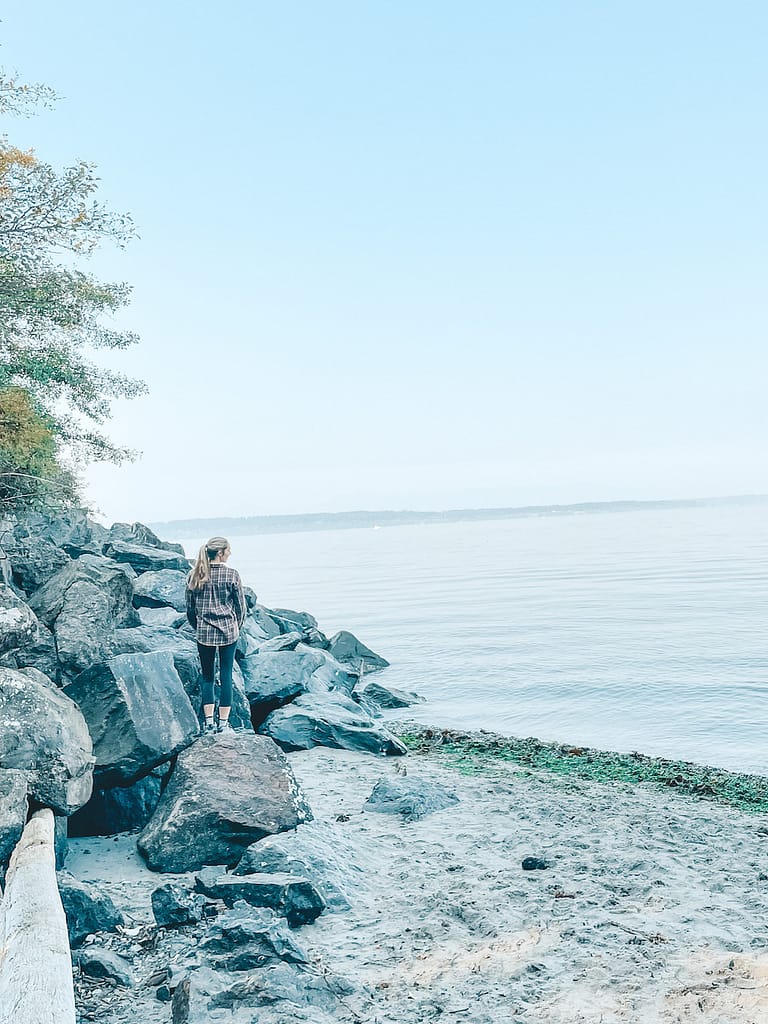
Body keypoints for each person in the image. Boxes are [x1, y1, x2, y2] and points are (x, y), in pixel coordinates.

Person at [185, 536, 246, 734]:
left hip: (204, 633)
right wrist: (236, 626)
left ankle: (208, 723)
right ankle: (224, 724)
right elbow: (240, 607)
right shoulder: (232, 575)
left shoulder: (194, 575)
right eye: (228, 550)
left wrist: (198, 627)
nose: (230, 553)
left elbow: (190, 609)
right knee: (226, 675)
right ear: (220, 552)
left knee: (208, 677)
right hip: (228, 632)